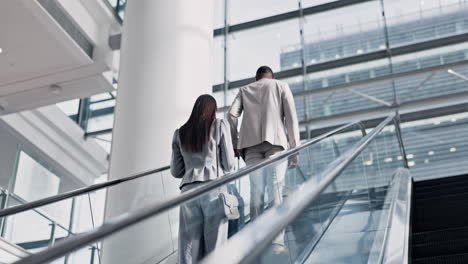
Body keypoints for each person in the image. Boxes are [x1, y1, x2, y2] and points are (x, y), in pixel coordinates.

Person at [227, 66, 300, 254]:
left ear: (256, 78)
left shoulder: (245, 90)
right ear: (271, 77)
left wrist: (236, 141)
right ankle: (276, 241)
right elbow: (291, 117)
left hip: (250, 147)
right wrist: (294, 148)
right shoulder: (281, 86)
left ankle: (256, 239)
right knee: (275, 189)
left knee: (256, 193)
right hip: (275, 143)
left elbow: (231, 115)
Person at [171, 94, 236, 264]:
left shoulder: (180, 133)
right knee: (215, 245)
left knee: (189, 246)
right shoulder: (219, 125)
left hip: (187, 193)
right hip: (213, 188)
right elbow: (229, 164)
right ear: (213, 110)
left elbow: (176, 171)